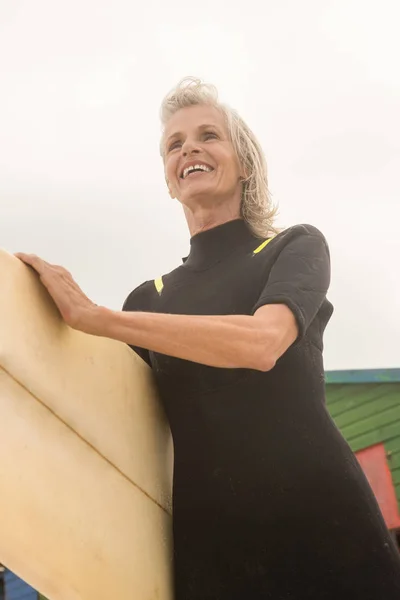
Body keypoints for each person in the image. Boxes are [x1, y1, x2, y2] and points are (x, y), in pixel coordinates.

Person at [16, 77, 400, 599]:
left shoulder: (294, 247)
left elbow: (262, 344)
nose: (189, 148)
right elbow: (99, 423)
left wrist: (97, 317)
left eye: (207, 136)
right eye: (174, 144)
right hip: (216, 557)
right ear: (169, 181)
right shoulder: (147, 299)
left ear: (243, 163)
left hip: (327, 531)